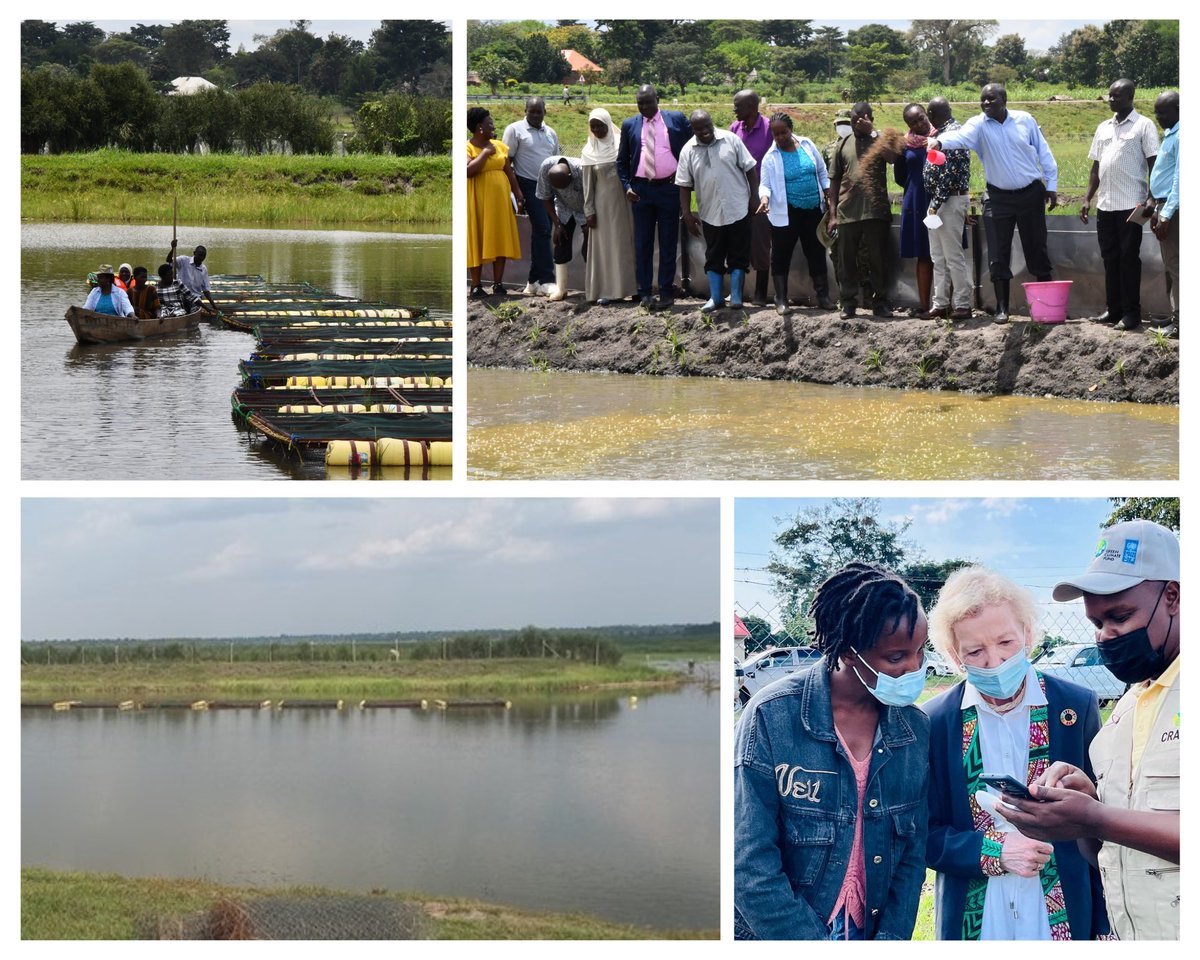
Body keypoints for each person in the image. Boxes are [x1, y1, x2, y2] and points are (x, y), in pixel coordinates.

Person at [1000, 519, 1179, 941]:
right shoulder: (1127, 709)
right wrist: (1086, 810)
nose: (1106, 636)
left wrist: (1097, 818)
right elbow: (1109, 850)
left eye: (1119, 616)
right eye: (1097, 623)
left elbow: (1107, 825)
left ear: (1173, 596)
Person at [734, 562, 930, 940]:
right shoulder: (772, 717)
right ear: (849, 651)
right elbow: (749, 863)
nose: (915, 666)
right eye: (896, 657)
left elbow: (911, 856)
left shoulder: (914, 730)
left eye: (921, 650)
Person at [923, 567, 1110, 940]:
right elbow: (921, 834)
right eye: (975, 651)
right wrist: (993, 850)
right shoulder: (935, 722)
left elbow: (1104, 818)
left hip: (1061, 909)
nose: (995, 662)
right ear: (954, 656)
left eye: (1006, 642)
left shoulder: (1075, 706)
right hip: (977, 915)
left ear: (1027, 634)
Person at [928, 84, 1058, 323]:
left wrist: (1051, 185)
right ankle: (1002, 308)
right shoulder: (978, 125)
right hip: (998, 198)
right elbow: (960, 137)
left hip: (1030, 193)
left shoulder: (1025, 120)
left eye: (992, 99)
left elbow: (1044, 151)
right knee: (998, 253)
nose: (986, 104)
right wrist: (940, 142)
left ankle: (1046, 308)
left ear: (1004, 99)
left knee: (1036, 248)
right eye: (983, 100)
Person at [1081, 80, 1159, 331]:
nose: (1111, 100)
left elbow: (1154, 164)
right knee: (1110, 258)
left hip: (1131, 204)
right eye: (1109, 96)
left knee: (1128, 259)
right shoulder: (1103, 127)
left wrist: (1152, 196)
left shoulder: (1143, 125)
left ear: (1130, 96)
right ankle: (1113, 310)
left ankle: (1131, 314)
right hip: (1106, 205)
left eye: (1117, 96)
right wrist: (1087, 198)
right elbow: (1096, 166)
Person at [616, 84, 691, 309]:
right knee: (643, 243)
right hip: (641, 192)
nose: (645, 107)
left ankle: (667, 291)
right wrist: (627, 185)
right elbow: (621, 161)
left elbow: (691, 149)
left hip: (669, 189)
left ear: (657, 99)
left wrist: (687, 181)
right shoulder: (630, 124)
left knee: (668, 242)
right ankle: (645, 292)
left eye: (649, 102)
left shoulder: (675, 119)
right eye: (640, 103)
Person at [677, 110, 759, 313]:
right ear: (693, 129)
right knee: (713, 255)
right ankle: (716, 298)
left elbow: (750, 169)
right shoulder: (688, 151)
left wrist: (754, 197)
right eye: (699, 128)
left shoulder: (731, 140)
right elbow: (684, 185)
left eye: (708, 126)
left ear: (712, 123)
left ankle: (737, 297)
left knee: (738, 254)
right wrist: (687, 213)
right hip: (710, 212)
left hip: (737, 207)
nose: (705, 131)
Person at [756, 111, 833, 314]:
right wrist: (764, 199)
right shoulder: (770, 157)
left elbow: (822, 171)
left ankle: (823, 296)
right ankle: (781, 299)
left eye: (784, 132)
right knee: (781, 255)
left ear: (791, 130)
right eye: (776, 134)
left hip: (813, 210)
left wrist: (828, 193)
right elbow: (764, 185)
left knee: (816, 251)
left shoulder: (807, 145)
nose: (780, 137)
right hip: (787, 212)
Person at [828, 102, 897, 319]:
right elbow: (834, 180)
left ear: (868, 118)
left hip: (875, 211)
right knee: (847, 260)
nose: (855, 124)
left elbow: (893, 158)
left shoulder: (880, 140)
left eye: (858, 120)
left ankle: (880, 302)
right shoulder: (843, 144)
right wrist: (832, 215)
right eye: (852, 120)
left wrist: (874, 134)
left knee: (878, 259)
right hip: (847, 211)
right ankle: (848, 302)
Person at [923, 97, 974, 320]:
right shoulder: (943, 133)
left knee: (952, 256)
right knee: (938, 257)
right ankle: (940, 303)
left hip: (948, 200)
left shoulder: (951, 135)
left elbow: (948, 175)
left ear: (932, 115)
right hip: (939, 200)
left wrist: (934, 205)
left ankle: (963, 304)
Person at [502, 97, 559, 295]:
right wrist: (516, 192)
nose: (535, 115)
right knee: (543, 229)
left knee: (544, 231)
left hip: (548, 187)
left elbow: (556, 161)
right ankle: (546, 279)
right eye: (532, 111)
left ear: (545, 112)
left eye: (539, 112)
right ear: (525, 110)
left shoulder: (551, 132)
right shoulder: (515, 130)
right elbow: (506, 162)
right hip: (527, 184)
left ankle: (533, 281)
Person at [580, 108, 637, 304]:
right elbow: (588, 186)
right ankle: (609, 291)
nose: (596, 129)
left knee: (628, 245)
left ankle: (635, 288)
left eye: (600, 125)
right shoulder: (589, 151)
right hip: (603, 207)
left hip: (626, 203)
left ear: (608, 123)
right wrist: (589, 211)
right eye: (593, 126)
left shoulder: (621, 143)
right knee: (607, 247)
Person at [466, 106, 523, 299]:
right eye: (490, 123)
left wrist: (518, 193)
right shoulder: (468, 147)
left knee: (500, 238)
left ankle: (498, 284)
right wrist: (484, 153)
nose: (493, 126)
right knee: (478, 239)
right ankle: (476, 285)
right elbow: (468, 171)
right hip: (478, 202)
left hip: (499, 202)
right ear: (479, 127)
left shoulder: (500, 146)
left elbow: (510, 173)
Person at [730, 89, 774, 304]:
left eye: (737, 106)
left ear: (751, 108)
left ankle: (760, 293)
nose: (734, 109)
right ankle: (737, 291)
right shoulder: (734, 128)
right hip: (738, 193)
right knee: (737, 241)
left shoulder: (768, 129)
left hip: (761, 195)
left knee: (760, 243)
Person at [894, 103, 935, 316]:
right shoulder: (905, 145)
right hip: (917, 202)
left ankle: (948, 305)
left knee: (946, 254)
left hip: (940, 200)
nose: (920, 124)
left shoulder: (942, 138)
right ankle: (925, 306)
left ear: (926, 114)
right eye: (913, 122)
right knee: (924, 254)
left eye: (921, 117)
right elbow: (900, 177)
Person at [1148, 91, 1179, 338]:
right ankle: (1176, 315)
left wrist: (1166, 214)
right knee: (1170, 265)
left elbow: (1181, 179)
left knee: (1178, 266)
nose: (1158, 117)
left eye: (1163, 112)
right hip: (1163, 205)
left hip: (1174, 208)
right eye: (1156, 112)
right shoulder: (1170, 134)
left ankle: (1181, 322)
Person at [536, 156, 587, 302]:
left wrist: (590, 220)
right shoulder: (546, 167)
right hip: (563, 208)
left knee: (589, 248)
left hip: (585, 209)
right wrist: (557, 224)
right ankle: (561, 288)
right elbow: (545, 197)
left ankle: (592, 288)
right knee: (560, 243)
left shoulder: (582, 170)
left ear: (570, 176)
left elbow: (593, 196)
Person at [167, 240, 217, 312]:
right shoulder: (183, 260)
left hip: (196, 298)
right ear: (194, 253)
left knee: (195, 309)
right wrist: (173, 249)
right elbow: (169, 260)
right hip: (181, 295)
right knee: (177, 308)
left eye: (203, 256)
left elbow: (206, 290)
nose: (201, 258)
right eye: (200, 255)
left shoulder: (204, 269)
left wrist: (214, 306)